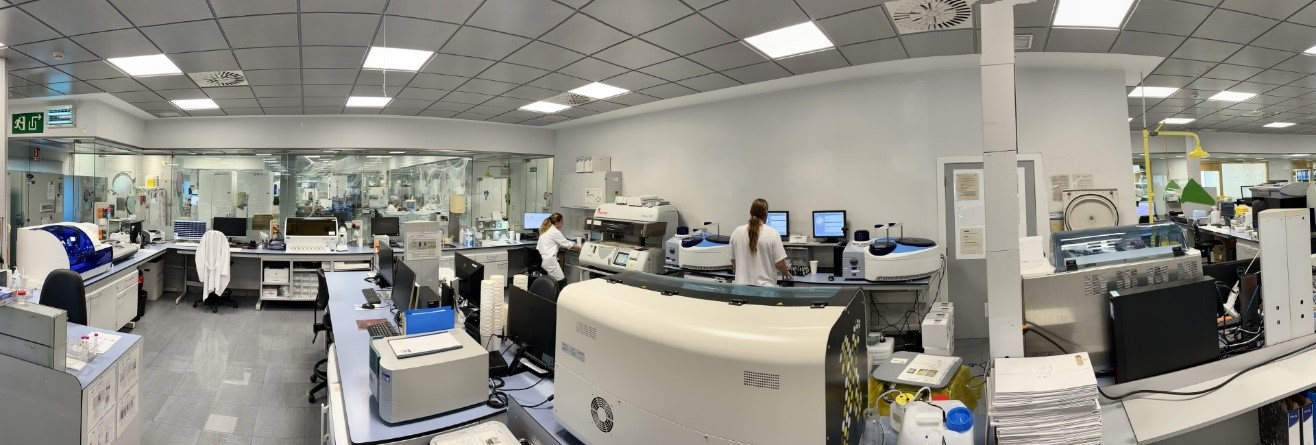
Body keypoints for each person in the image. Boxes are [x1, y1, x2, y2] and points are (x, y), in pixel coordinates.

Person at [729, 199, 792, 286]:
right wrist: (785, 271)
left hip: (741, 288)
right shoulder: (773, 233)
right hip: (765, 289)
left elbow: (733, 260)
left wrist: (744, 273)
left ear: (750, 212)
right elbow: (780, 264)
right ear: (766, 213)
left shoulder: (737, 231)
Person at [536, 213, 579, 287]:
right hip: (550, 261)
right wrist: (581, 247)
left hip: (544, 260)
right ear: (556, 222)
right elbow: (568, 244)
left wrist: (568, 244)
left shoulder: (546, 229)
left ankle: (550, 293)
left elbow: (557, 243)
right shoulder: (555, 231)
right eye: (561, 222)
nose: (562, 224)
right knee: (562, 282)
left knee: (552, 282)